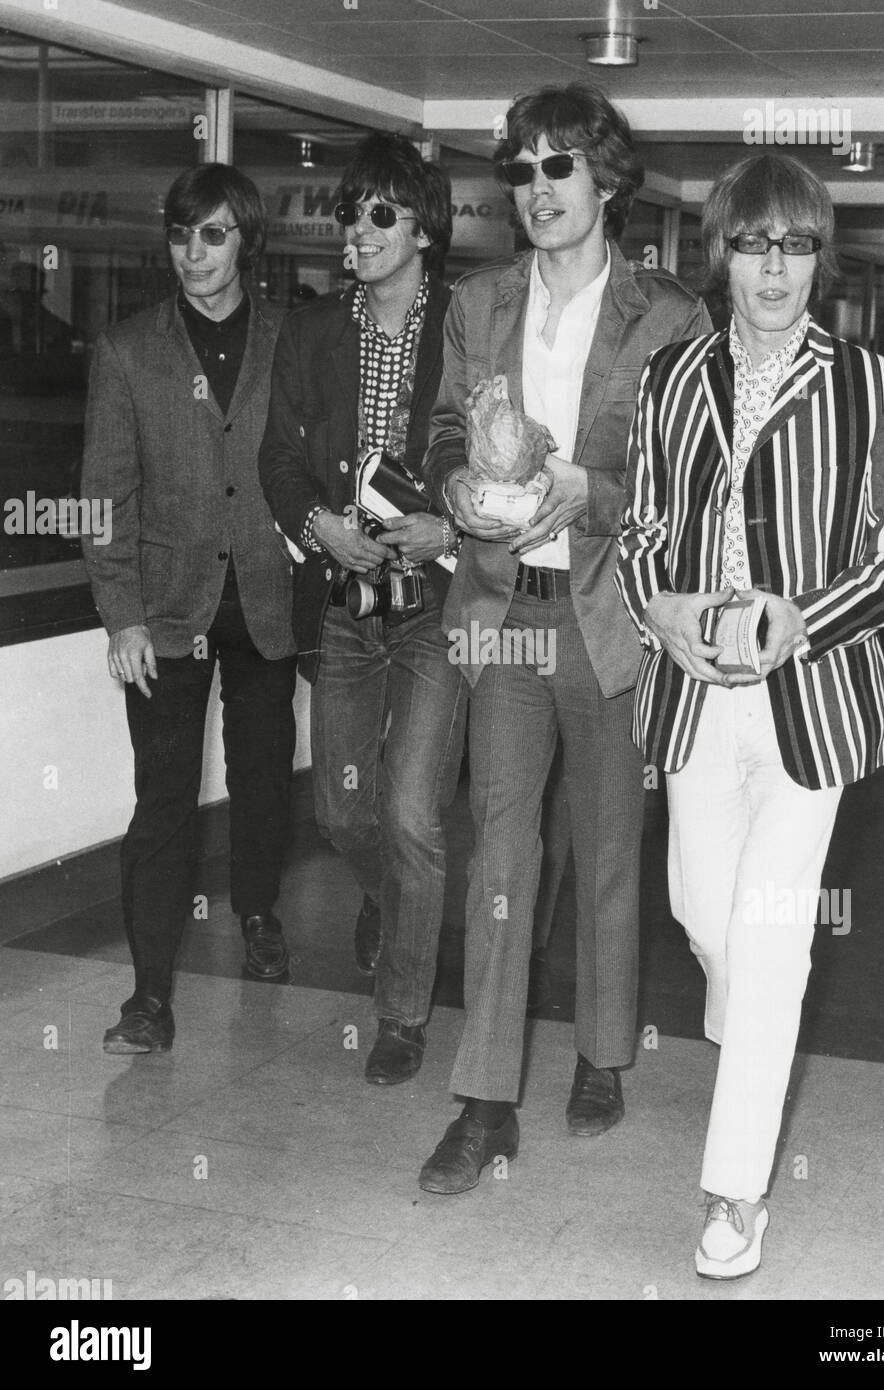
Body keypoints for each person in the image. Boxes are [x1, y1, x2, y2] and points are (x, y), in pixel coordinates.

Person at [616, 152, 884, 1279]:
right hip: (696, 700)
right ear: (722, 252)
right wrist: (661, 607)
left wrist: (804, 617)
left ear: (819, 259)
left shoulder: (870, 387)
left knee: (767, 933)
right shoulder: (670, 378)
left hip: (811, 708)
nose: (772, 269)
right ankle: (751, 1002)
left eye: (793, 246)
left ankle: (733, 1193)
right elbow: (640, 533)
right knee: (703, 917)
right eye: (752, 244)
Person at [419, 84, 711, 1195]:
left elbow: (687, 484)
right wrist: (455, 476)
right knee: (500, 850)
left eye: (558, 168)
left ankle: (601, 1049)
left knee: (602, 848)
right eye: (522, 170)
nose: (536, 189)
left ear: (604, 182)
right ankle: (485, 1099)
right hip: (502, 613)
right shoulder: (478, 304)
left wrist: (590, 488)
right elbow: (447, 426)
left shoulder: (669, 315)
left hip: (606, 616)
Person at [259, 133, 467, 1086]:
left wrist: (451, 534)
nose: (359, 230)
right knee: (346, 811)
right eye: (350, 213)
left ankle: (403, 1015)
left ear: (423, 227)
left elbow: (501, 455)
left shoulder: (465, 324)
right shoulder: (311, 331)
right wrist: (316, 525)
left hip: (434, 607)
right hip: (345, 604)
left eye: (380, 213)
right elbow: (278, 460)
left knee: (416, 813)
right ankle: (394, 898)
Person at [81, 164, 297, 1054]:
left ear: (245, 241)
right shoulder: (129, 351)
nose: (194, 253)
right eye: (180, 234)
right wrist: (121, 616)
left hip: (267, 608)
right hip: (168, 617)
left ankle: (255, 912)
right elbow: (106, 497)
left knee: (260, 779)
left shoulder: (293, 338)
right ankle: (150, 995)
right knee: (161, 800)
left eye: (212, 235)